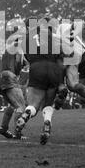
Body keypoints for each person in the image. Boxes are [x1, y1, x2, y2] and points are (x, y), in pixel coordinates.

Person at [15, 15, 65, 145]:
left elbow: (26, 58)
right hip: (53, 68)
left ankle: (26, 115)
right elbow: (59, 52)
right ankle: (47, 125)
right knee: (48, 104)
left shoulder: (25, 39)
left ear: (27, 27)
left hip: (37, 67)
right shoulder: (48, 32)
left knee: (34, 103)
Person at [0, 37, 28, 139]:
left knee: (13, 105)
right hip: (9, 76)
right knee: (21, 106)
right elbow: (19, 61)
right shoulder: (18, 48)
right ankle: (18, 133)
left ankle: (3, 128)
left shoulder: (7, 50)